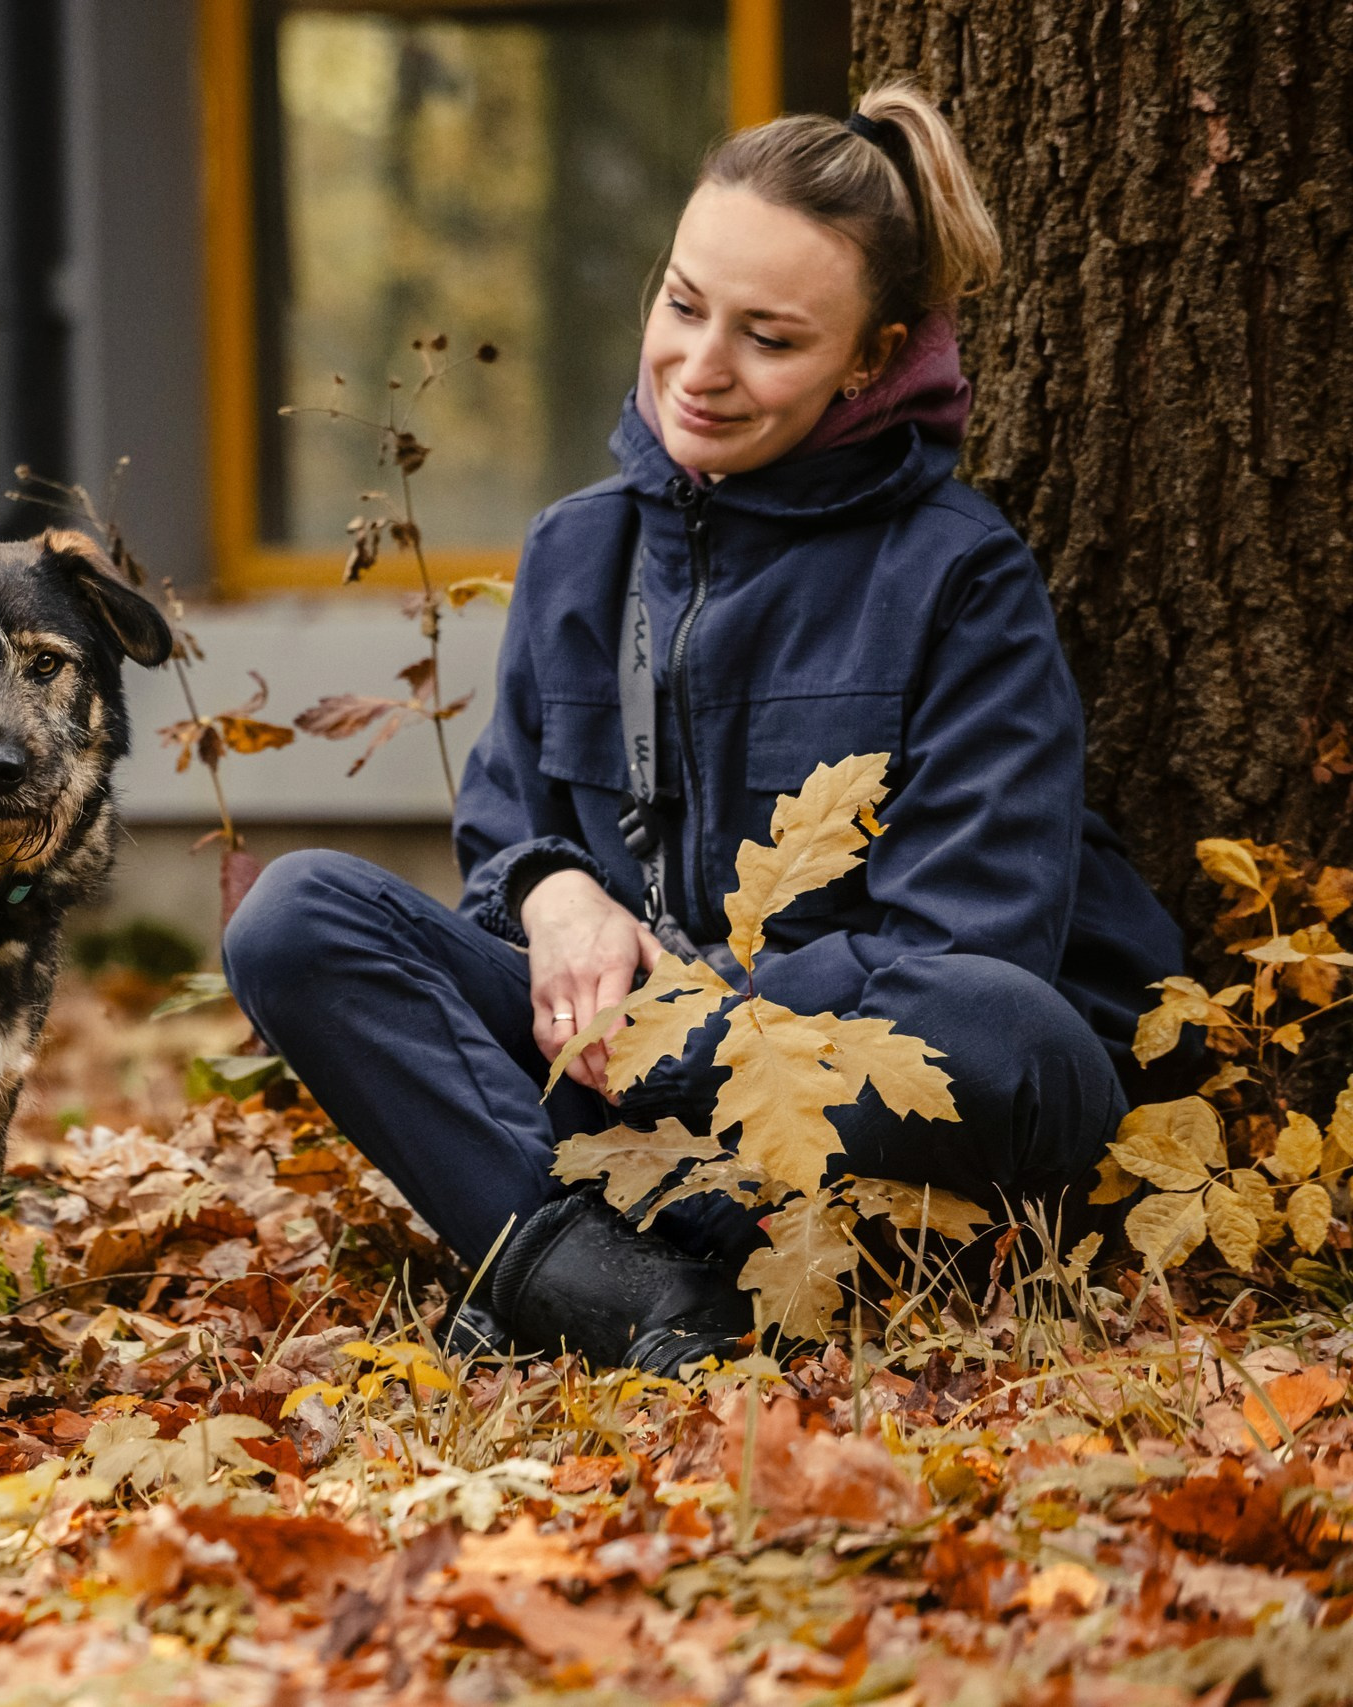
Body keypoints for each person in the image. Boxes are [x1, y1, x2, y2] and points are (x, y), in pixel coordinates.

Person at [222, 83, 1184, 1372]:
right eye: (682, 305)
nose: (700, 368)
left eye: (770, 340)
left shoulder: (959, 576)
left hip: (867, 1092)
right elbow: (507, 832)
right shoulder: (578, 548)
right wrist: (554, 890)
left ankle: (558, 1255)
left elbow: (972, 941)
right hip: (621, 1072)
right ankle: (644, 1297)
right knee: (296, 918)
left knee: (1006, 1025)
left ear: (871, 358)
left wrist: (694, 1028)